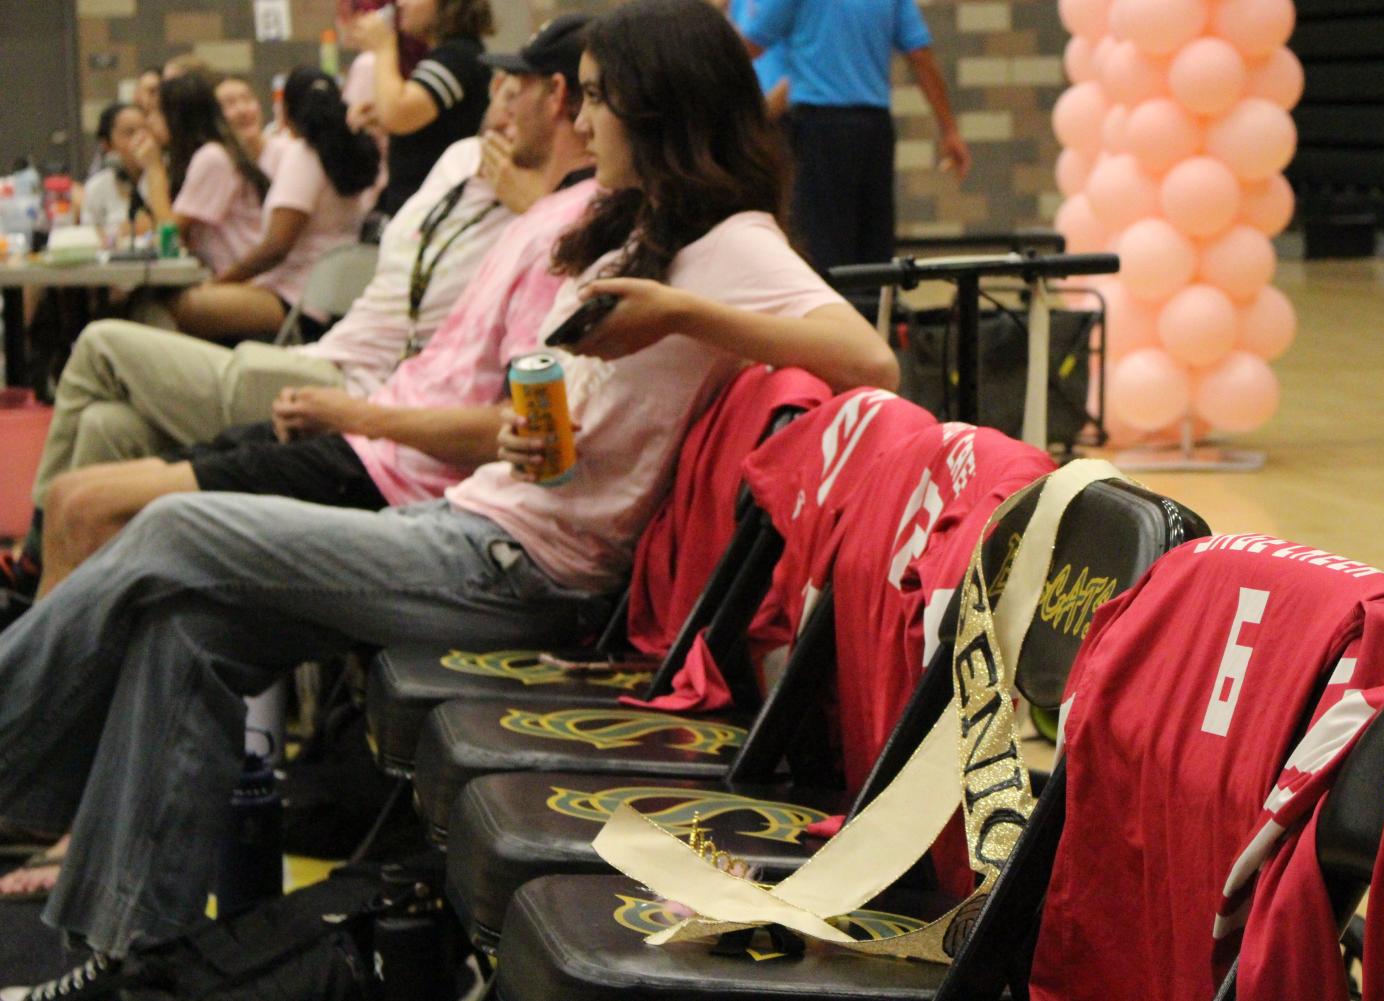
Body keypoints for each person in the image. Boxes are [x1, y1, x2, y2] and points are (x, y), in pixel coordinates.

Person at [0, 3, 894, 993]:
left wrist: (682, 309)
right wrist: (527, 434)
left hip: (522, 573)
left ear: (657, 104)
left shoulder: (730, 243)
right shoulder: (630, 224)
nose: (582, 119)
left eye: (596, 97)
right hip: (477, 524)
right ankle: (120, 956)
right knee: (187, 626)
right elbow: (568, 439)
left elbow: (873, 357)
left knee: (172, 527)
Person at [28, 22, 591, 600]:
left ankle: (35, 568)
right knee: (106, 426)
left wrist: (356, 414)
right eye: (496, 87)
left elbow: (264, 243)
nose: (500, 102)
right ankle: (54, 598)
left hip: (363, 406)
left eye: (513, 86)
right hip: (344, 374)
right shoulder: (461, 166)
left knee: (105, 342)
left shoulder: (561, 224)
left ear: (556, 99)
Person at [741, 0, 973, 275]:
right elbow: (920, 55)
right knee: (873, 246)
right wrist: (949, 130)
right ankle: (873, 313)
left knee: (821, 246)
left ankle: (831, 314)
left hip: (819, 128)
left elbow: (750, 46)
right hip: (873, 129)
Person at [155, 68, 382, 342]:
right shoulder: (343, 152)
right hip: (326, 295)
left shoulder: (303, 156)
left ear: (284, 112)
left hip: (298, 300)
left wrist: (219, 283)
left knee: (175, 307)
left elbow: (275, 248)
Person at [351, 0, 494, 214]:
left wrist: (383, 47)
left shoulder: (456, 57)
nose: (400, 4)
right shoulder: (451, 54)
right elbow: (425, 120)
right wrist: (379, 114)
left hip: (436, 219)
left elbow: (397, 114)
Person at [136, 72, 274, 279]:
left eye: (156, 113)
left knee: (148, 303)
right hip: (231, 276)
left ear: (176, 117)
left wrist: (154, 170)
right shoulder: (207, 155)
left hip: (247, 281)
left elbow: (169, 237)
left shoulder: (212, 157)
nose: (149, 123)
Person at [79, 105, 151, 249]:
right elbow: (89, 235)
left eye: (146, 130)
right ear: (107, 144)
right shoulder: (97, 186)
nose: (140, 139)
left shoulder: (161, 180)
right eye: (130, 132)